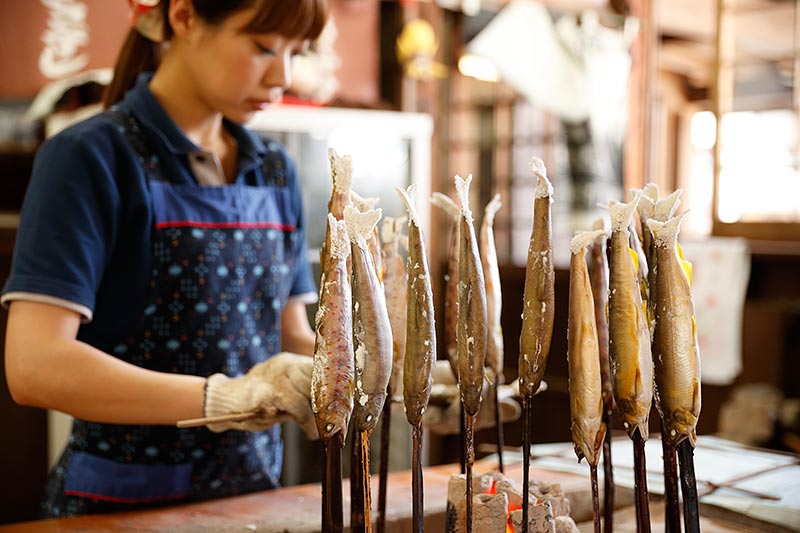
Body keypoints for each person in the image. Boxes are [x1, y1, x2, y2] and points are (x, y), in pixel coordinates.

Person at [2, 0, 328, 518]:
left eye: (297, 52)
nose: (283, 75)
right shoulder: (89, 156)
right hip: (120, 504)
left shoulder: (273, 168)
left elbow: (290, 335)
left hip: (254, 498)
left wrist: (378, 376)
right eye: (263, 47)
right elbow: (33, 364)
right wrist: (224, 398)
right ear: (184, 18)